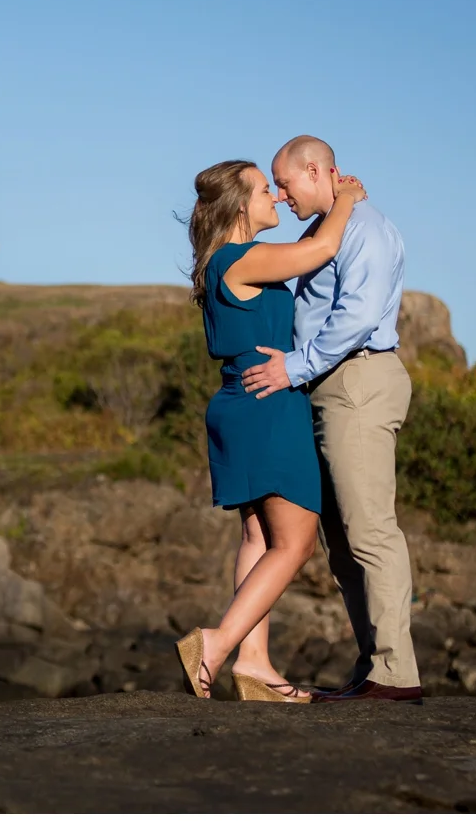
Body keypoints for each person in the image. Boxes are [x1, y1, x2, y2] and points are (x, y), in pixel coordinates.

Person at [176, 158, 366, 704]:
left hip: (240, 401)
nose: (277, 198)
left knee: (259, 538)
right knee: (296, 542)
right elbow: (322, 251)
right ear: (241, 207)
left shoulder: (219, 264)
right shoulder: (243, 258)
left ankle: (254, 663)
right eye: (266, 190)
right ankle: (215, 644)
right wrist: (346, 197)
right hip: (268, 404)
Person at [240, 135, 421, 705]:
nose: (282, 194)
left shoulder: (364, 229)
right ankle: (375, 670)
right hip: (332, 386)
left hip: (359, 382)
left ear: (315, 171)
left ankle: (396, 675)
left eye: (285, 182)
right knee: (341, 539)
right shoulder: (327, 229)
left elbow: (358, 316)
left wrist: (294, 368)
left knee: (370, 530)